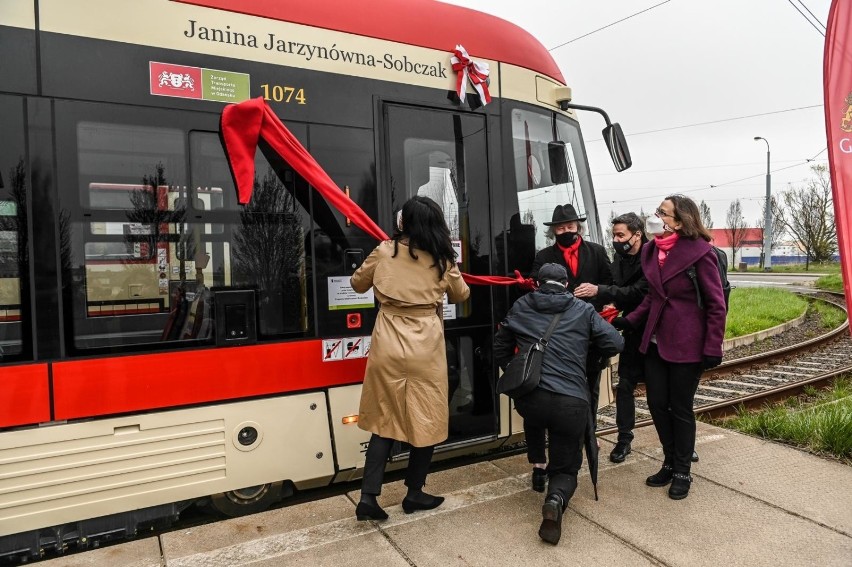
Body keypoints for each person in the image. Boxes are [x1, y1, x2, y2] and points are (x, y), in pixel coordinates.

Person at [350, 195, 470, 521]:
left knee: (384, 422)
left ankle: (368, 498)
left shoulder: (383, 251)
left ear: (404, 222)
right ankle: (414, 493)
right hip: (425, 349)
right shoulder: (442, 260)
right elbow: (462, 295)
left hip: (387, 345)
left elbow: (357, 283)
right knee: (426, 420)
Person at [494, 263, 623, 545]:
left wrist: (519, 370)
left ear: (538, 283)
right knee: (566, 466)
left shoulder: (521, 305)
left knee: (535, 415)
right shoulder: (582, 309)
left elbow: (500, 348)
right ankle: (555, 498)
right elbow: (614, 343)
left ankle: (538, 467)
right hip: (571, 402)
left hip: (531, 399)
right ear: (566, 285)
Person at [612, 195, 725, 500]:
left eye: (662, 213)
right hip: (654, 342)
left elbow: (716, 304)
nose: (656, 217)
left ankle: (682, 470)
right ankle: (669, 460)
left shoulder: (701, 254)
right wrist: (631, 321)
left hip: (687, 344)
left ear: (679, 220)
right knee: (657, 405)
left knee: (681, 409)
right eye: (657, 211)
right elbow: (654, 296)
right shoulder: (651, 251)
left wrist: (713, 345)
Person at [526, 203, 613, 492]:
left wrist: (598, 291)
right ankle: (548, 456)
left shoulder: (597, 252)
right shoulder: (544, 256)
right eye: (560, 228)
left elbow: (611, 284)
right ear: (554, 231)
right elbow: (534, 286)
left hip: (589, 331)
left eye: (570, 226)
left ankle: (590, 431)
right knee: (552, 390)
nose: (566, 231)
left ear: (579, 227)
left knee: (590, 387)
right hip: (555, 335)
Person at [574, 212, 648, 464]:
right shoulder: (618, 257)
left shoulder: (651, 256)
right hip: (631, 330)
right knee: (625, 386)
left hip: (653, 330)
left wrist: (601, 291)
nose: (615, 240)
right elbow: (619, 289)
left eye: (620, 235)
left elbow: (640, 291)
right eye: (613, 235)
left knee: (663, 393)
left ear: (637, 235)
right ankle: (624, 440)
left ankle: (680, 448)